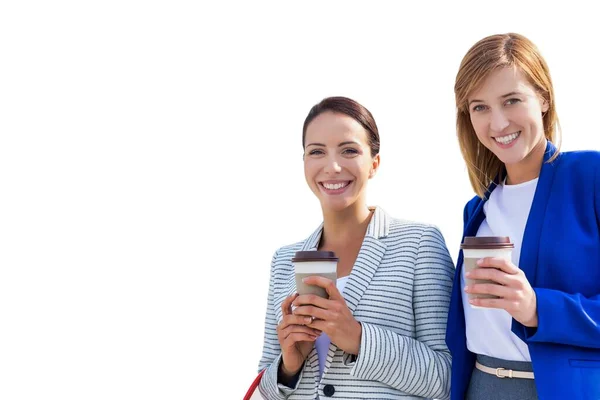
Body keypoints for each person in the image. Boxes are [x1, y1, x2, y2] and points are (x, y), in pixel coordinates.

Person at [257, 96, 454, 399]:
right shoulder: (284, 260)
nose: (332, 166)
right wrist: (288, 365)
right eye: (316, 152)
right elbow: (265, 388)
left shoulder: (419, 244)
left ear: (374, 163)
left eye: (349, 150)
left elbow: (449, 377)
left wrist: (359, 338)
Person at [446, 32, 600, 400]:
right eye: (479, 107)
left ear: (544, 98)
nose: (497, 124)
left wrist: (537, 308)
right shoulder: (477, 209)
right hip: (480, 387)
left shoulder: (589, 177)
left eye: (511, 100)